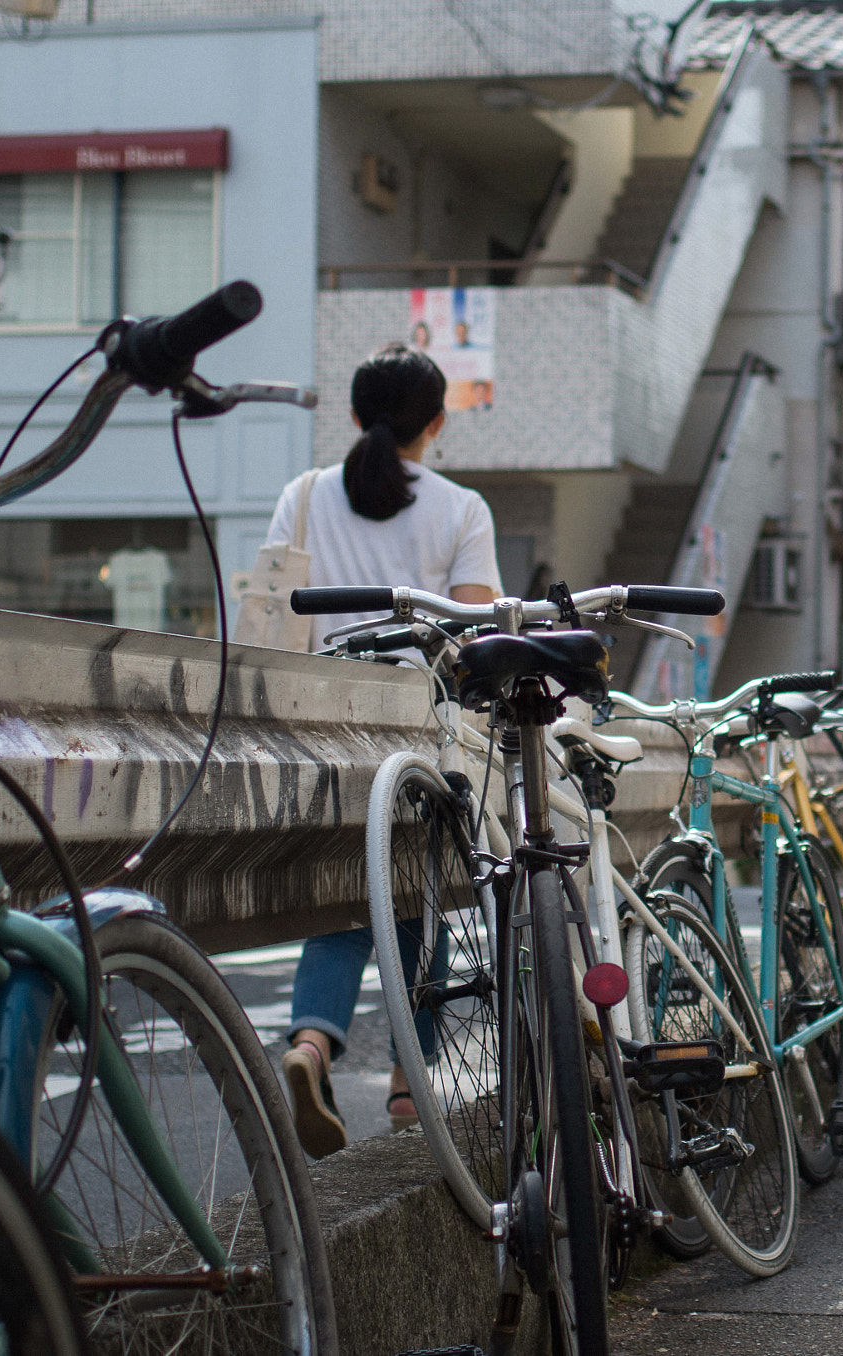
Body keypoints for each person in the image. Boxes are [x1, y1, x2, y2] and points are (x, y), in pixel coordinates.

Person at [274, 343, 502, 1159]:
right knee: (417, 898)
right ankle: (410, 1086)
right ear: (437, 423)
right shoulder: (460, 509)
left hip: (320, 730)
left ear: (353, 413)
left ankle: (309, 1047)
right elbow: (475, 632)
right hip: (418, 732)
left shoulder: (301, 498)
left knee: (342, 900)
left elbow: (276, 621)